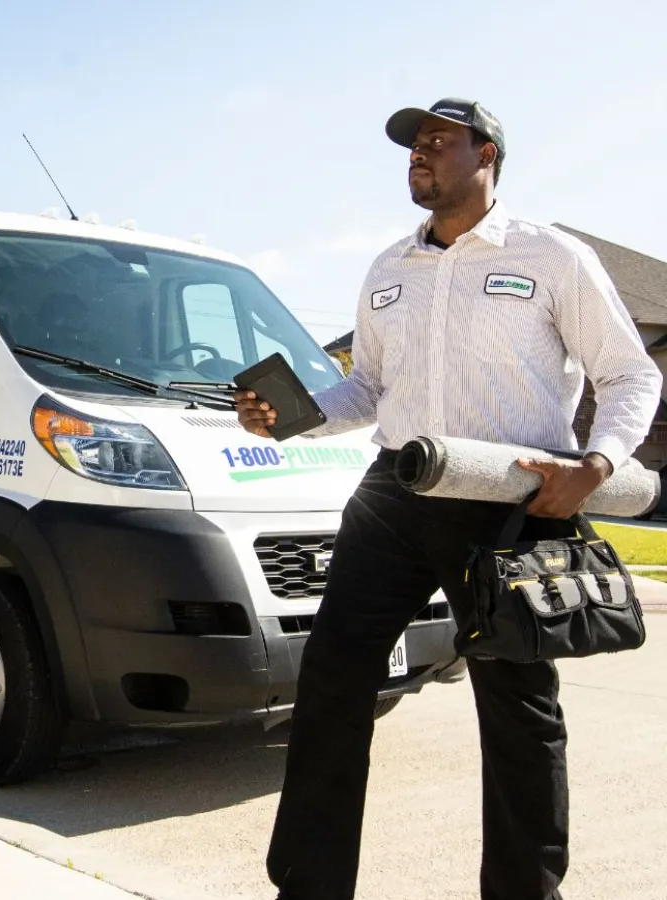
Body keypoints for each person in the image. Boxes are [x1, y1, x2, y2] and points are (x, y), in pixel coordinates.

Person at [237, 98, 662, 900]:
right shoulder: (389, 267)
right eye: (412, 145)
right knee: (332, 677)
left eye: (437, 141)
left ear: (487, 153)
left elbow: (632, 374)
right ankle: (309, 885)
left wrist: (598, 464)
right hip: (396, 491)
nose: (418, 154)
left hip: (510, 505)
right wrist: (290, 418)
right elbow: (365, 388)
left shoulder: (552, 256)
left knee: (516, 706)